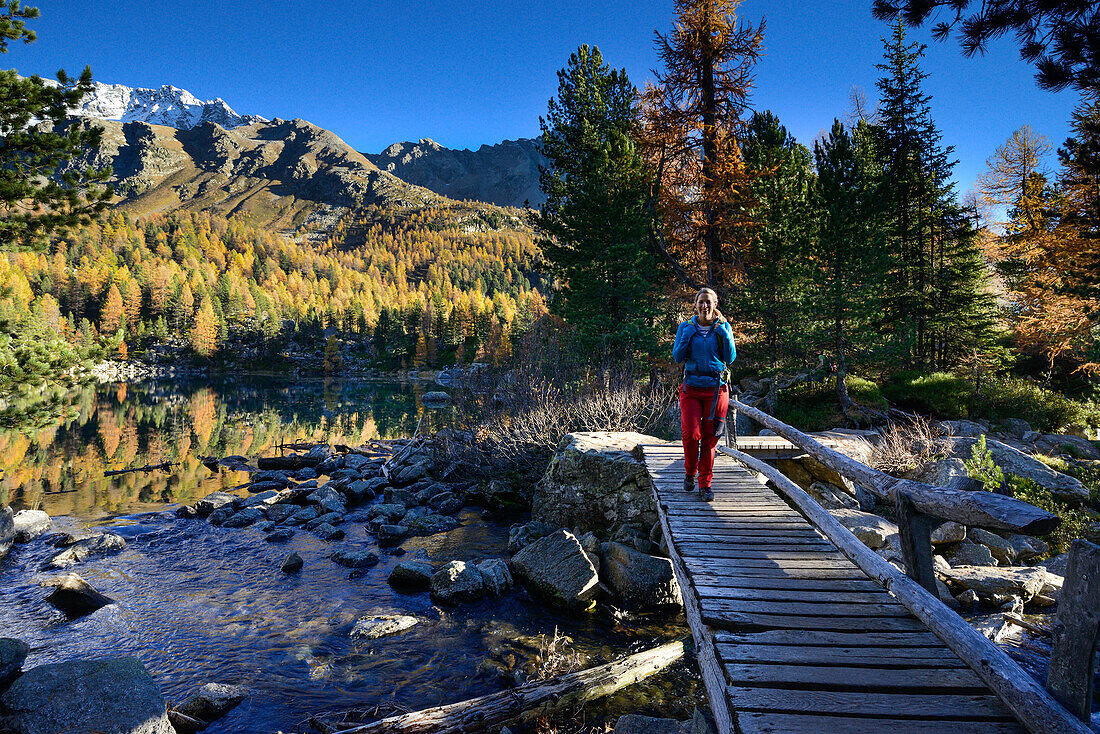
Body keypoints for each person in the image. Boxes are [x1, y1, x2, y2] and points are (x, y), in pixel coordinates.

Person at [672, 288, 736, 502]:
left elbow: (730, 357)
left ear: (715, 304)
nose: (705, 306)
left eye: (708, 302)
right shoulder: (685, 327)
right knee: (691, 434)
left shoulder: (724, 327)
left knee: (710, 438)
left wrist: (725, 335)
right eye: (701, 302)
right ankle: (690, 472)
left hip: (717, 390)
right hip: (691, 388)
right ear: (695, 304)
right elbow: (677, 357)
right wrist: (686, 337)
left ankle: (705, 484)